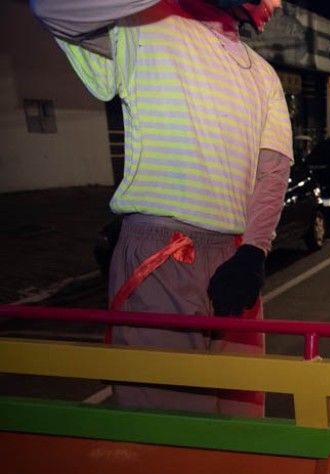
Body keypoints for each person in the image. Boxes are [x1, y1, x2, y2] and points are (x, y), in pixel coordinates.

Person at [31, 0, 292, 415]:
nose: (277, 2)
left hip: (235, 258)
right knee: (171, 431)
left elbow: (273, 171)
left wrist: (253, 251)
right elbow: (50, 8)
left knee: (243, 425)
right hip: (162, 254)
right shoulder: (146, 24)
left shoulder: (264, 74)